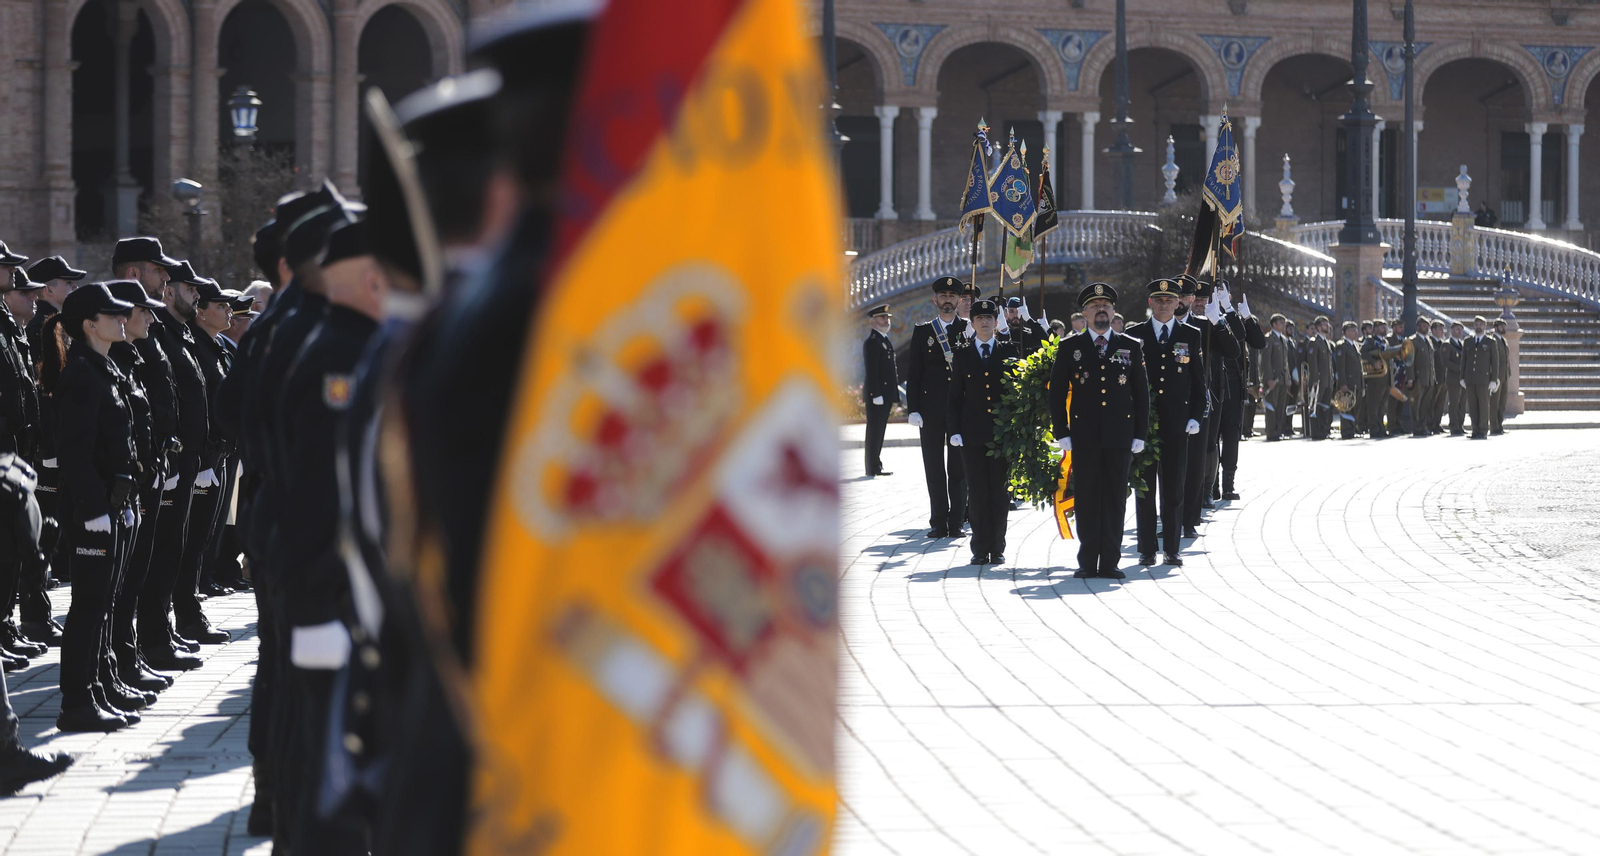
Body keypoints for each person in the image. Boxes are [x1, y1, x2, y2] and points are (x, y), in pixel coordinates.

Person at [276, 217, 385, 855]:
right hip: (329, 596)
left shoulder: (339, 342)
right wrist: (318, 607)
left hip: (334, 594)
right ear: (372, 279)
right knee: (332, 772)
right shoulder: (340, 354)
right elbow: (320, 490)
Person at [51, 283, 142, 732]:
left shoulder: (104, 369)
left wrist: (120, 503)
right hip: (93, 510)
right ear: (90, 325)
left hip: (111, 505)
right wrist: (93, 509)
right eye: (113, 315)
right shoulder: (83, 375)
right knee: (88, 606)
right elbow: (73, 452)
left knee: (102, 603)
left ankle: (98, 688)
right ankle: (76, 704)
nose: (122, 320)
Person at [102, 280, 176, 695]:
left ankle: (125, 660)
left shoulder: (129, 356)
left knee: (136, 576)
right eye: (141, 311)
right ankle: (117, 665)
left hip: (145, 478)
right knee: (121, 584)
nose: (150, 316)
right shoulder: (110, 361)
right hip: (125, 485)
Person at [1049, 282, 1148, 580]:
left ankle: (1110, 562)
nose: (1101, 310)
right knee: (1088, 497)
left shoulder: (1130, 346)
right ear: (1084, 313)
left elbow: (1141, 394)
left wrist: (1140, 433)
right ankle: (1088, 560)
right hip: (1084, 435)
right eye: (1095, 306)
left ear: (1114, 312)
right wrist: (1061, 430)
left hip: (1120, 435)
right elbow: (1056, 392)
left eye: (1106, 306)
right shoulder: (1070, 347)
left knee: (1115, 498)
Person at [1126, 279, 1202, 567]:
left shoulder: (1190, 336)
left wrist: (1196, 415)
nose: (1164, 304)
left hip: (1176, 424)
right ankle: (1146, 549)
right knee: (1144, 490)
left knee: (1173, 489)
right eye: (1158, 300)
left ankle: (1171, 548)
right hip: (1144, 426)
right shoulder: (1134, 335)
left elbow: (1198, 381)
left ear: (1177, 303)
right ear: (1150, 303)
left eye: (1169, 300)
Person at [949, 299, 1019, 566]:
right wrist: (954, 429)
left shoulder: (1009, 350)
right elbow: (955, 396)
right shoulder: (963, 353)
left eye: (990, 318)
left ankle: (997, 547)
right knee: (977, 493)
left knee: (1000, 494)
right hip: (973, 434)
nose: (985, 322)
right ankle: (979, 548)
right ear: (973, 323)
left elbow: (1017, 392)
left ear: (996, 322)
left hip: (1002, 435)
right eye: (980, 318)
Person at [903, 276, 968, 538]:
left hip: (960, 411)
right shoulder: (923, 331)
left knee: (959, 469)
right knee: (933, 467)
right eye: (943, 295)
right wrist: (913, 409)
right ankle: (938, 522)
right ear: (935, 300)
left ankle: (957, 524)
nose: (948, 300)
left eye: (953, 296)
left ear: (960, 300)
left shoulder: (968, 329)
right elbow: (914, 373)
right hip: (930, 410)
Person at [1219, 292, 1263, 496]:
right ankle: (1209, 487)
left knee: (1231, 435)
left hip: (1234, 384)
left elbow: (1258, 342)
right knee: (1210, 439)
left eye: (1224, 294)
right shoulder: (1204, 315)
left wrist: (1245, 316)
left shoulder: (1235, 317)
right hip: (1212, 383)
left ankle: (1228, 483)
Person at [23, 255, 85, 362]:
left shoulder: (58, 321)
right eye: (68, 282)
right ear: (49, 290)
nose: (75, 287)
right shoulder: (41, 326)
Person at [861, 304, 897, 478]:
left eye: (887, 317)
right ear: (873, 321)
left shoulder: (884, 340)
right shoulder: (872, 342)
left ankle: (877, 464)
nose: (886, 320)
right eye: (883, 318)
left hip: (885, 394)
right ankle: (872, 466)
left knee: (880, 430)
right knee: (874, 431)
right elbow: (872, 371)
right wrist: (875, 394)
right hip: (878, 395)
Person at [1461, 315, 1499, 439]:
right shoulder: (1468, 341)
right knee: (1472, 406)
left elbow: (1495, 362)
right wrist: (1462, 377)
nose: (1478, 327)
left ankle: (1483, 430)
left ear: (1485, 326)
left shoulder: (1490, 342)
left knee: (1483, 405)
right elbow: (1464, 361)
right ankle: (1475, 430)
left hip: (1484, 379)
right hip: (1470, 379)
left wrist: (1494, 380)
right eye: (1476, 324)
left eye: (1481, 324)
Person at [1361, 320, 1400, 438]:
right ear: (1376, 329)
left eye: (1385, 327)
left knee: (1383, 406)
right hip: (1376, 378)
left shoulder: (1385, 341)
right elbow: (1363, 352)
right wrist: (1373, 362)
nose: (1385, 329)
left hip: (1386, 377)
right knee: (1374, 405)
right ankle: (1374, 429)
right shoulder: (1370, 341)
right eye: (1382, 327)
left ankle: (1381, 428)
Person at [1262, 314, 1291, 440]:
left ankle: (1278, 431)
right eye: (1281, 322)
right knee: (1271, 406)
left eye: (1284, 322)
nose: (1283, 325)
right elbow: (1265, 361)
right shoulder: (1269, 338)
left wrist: (1288, 377)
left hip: (1283, 379)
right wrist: (1268, 378)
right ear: (1274, 324)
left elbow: (1285, 361)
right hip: (1273, 379)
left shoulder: (1283, 339)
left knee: (1281, 407)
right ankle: (1271, 432)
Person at [1333, 321, 1364, 439]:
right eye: (1353, 330)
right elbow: (1341, 366)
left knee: (1356, 407)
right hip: (1348, 383)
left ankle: (1352, 429)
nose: (1356, 332)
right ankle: (1346, 431)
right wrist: (1343, 383)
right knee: (1346, 407)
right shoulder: (1342, 345)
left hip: (1357, 383)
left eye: (1356, 330)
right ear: (1346, 332)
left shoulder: (1355, 345)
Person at [1407, 318, 1436, 438]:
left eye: (1427, 326)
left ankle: (1423, 426)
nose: (1426, 328)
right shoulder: (1412, 341)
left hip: (1428, 378)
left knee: (1425, 404)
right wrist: (1410, 378)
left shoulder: (1428, 340)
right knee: (1416, 405)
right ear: (1418, 327)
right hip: (1417, 378)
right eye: (1424, 326)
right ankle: (1417, 428)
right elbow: (1409, 361)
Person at [1444, 321, 1466, 435]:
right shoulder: (1447, 344)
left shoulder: (1462, 344)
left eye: (1461, 329)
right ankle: (1454, 426)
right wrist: (1460, 368)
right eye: (1457, 329)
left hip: (1463, 379)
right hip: (1453, 379)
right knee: (1454, 403)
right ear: (1451, 330)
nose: (1460, 331)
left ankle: (1460, 425)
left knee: (1462, 403)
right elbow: (1446, 362)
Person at [1491, 318, 1510, 434]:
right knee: (1494, 403)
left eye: (1504, 326)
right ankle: (1494, 426)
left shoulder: (1504, 340)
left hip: (1505, 375)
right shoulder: (1493, 340)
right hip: (1497, 376)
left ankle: (1500, 424)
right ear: (1496, 327)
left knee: (1502, 402)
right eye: (1501, 326)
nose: (1503, 328)